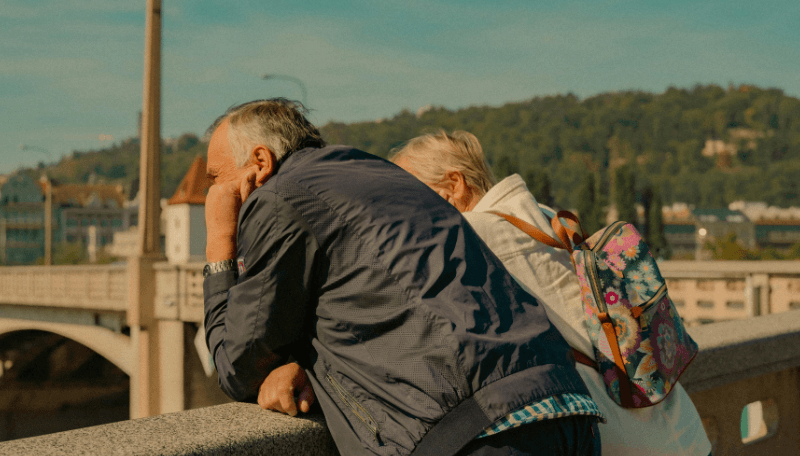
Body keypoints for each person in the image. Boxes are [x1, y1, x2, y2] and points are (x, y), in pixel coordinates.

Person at [203, 99, 603, 456]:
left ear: (260, 162)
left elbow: (239, 364)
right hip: (566, 410)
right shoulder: (382, 174)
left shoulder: (279, 197)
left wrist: (220, 244)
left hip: (477, 430)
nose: (212, 194)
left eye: (215, 178)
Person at [390, 130, 713, 456]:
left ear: (454, 184)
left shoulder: (472, 236)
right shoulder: (544, 216)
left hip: (629, 440)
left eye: (407, 196)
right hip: (682, 428)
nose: (404, 214)